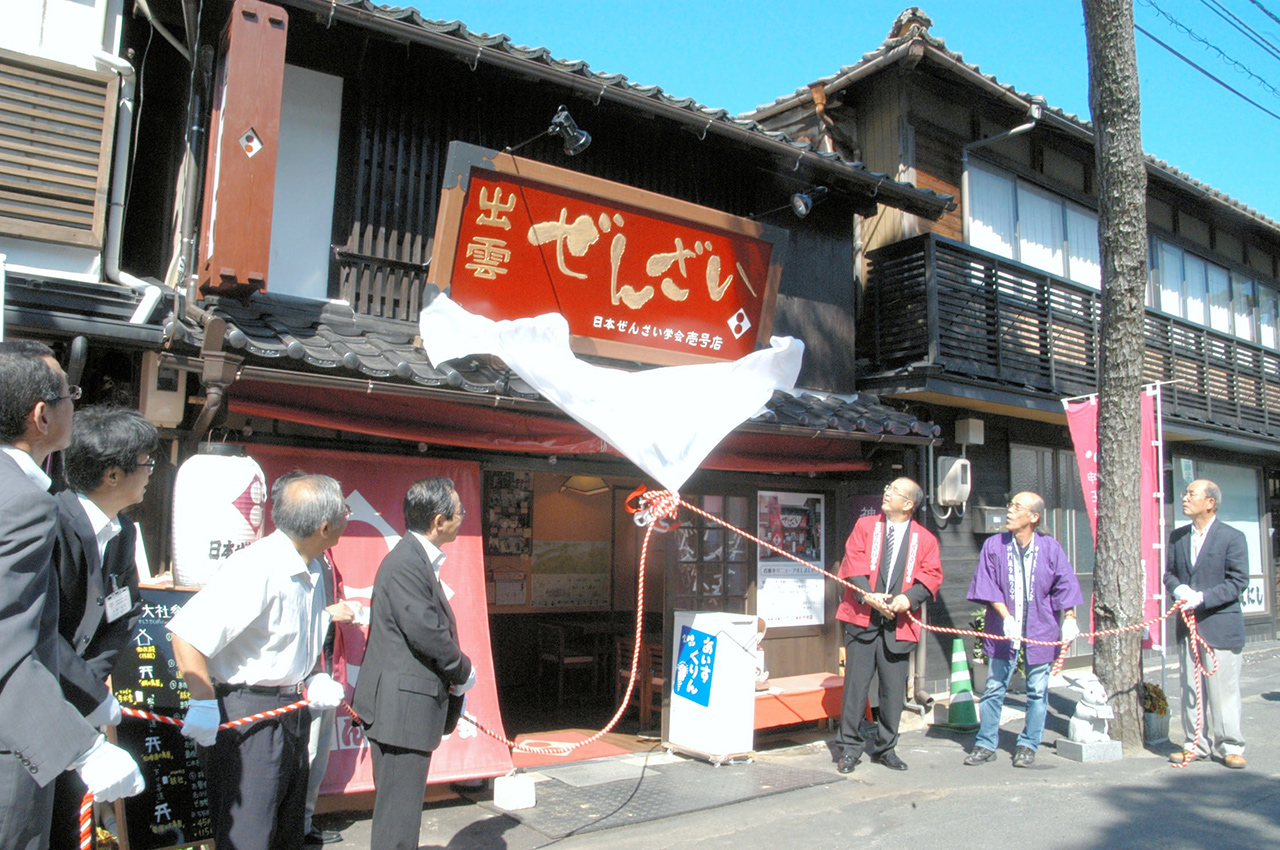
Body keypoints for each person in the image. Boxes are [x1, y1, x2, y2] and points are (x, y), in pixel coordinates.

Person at [0, 341, 144, 850]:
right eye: (70, 394)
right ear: (41, 415)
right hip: (22, 731)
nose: (74, 405)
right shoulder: (29, 506)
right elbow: (16, 641)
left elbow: (122, 615)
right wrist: (86, 743)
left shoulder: (123, 532)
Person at [167, 473, 349, 850]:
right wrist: (202, 700)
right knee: (249, 835)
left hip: (292, 710)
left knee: (287, 831)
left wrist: (313, 677)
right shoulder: (257, 566)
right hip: (246, 715)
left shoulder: (314, 566)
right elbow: (186, 634)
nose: (348, 515)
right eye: (343, 510)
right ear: (325, 526)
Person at [49, 407, 157, 850]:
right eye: (147, 463)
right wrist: (90, 693)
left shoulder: (124, 530)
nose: (152, 473)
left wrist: (90, 683)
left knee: (67, 824)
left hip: (80, 704)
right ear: (113, 474)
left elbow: (126, 613)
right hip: (33, 702)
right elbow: (37, 629)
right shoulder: (50, 522)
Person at [353, 478, 475, 850]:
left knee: (400, 813)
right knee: (398, 818)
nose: (462, 519)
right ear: (439, 521)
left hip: (406, 710)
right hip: (400, 711)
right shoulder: (406, 562)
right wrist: (463, 671)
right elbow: (426, 631)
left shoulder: (416, 559)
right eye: (459, 513)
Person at [963, 491, 1083, 768]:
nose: (1009, 511)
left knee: (1038, 690)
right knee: (994, 687)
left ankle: (1029, 743)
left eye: (1017, 507)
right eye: (1010, 505)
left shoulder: (1050, 547)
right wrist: (1006, 617)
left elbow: (1065, 583)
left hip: (1042, 627)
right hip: (1003, 627)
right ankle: (985, 743)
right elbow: (987, 584)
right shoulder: (994, 545)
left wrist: (1070, 618)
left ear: (1033, 517)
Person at [832, 477, 943, 774]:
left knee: (893, 692)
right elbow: (851, 561)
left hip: (899, 624)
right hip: (862, 619)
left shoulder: (926, 539)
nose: (886, 492)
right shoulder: (866, 526)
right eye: (887, 488)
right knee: (855, 688)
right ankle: (850, 748)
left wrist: (909, 599)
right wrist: (867, 596)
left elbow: (931, 576)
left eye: (893, 491)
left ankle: (885, 747)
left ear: (908, 504)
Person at [1164, 479, 1248, 769]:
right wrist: (1178, 590)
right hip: (1188, 626)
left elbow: (1238, 582)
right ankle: (1195, 744)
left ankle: (1230, 745)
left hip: (1219, 625)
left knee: (1223, 691)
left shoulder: (1232, 537)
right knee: (1190, 688)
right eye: (1185, 493)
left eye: (1191, 494)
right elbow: (1170, 574)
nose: (1184, 498)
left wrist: (1202, 597)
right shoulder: (1177, 537)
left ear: (1210, 502)